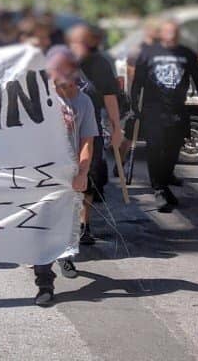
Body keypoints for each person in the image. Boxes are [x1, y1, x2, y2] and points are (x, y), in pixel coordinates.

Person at [34, 46, 98, 306]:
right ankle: (44, 284)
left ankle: (65, 255)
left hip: (69, 174)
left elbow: (87, 141)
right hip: (39, 174)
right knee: (41, 228)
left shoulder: (83, 101)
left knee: (66, 222)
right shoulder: (34, 99)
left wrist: (83, 172)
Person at [131, 20, 198, 212]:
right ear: (162, 33)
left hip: (177, 110)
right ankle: (159, 189)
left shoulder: (186, 54)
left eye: (175, 33)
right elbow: (137, 82)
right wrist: (133, 105)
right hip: (153, 110)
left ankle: (164, 182)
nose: (171, 36)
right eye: (168, 32)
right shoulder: (148, 53)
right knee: (155, 150)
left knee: (173, 151)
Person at [66, 24, 123, 244]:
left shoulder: (100, 64)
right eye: (75, 41)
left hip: (91, 130)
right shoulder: (59, 61)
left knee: (88, 176)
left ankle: (83, 225)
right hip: (60, 132)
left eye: (84, 41)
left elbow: (110, 97)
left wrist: (117, 128)